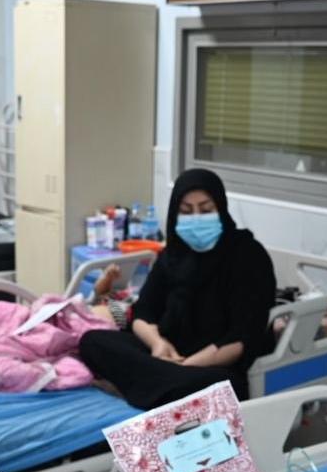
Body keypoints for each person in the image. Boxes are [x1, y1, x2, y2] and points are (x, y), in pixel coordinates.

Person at [79, 169, 277, 409]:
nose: (196, 218)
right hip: (166, 353)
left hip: (212, 364)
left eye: (206, 210)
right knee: (92, 341)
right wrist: (158, 344)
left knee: (213, 387)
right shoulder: (172, 255)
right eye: (186, 211)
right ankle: (158, 389)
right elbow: (143, 313)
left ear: (221, 209)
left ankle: (145, 386)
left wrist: (188, 365)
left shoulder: (247, 255)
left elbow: (242, 338)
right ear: (175, 214)